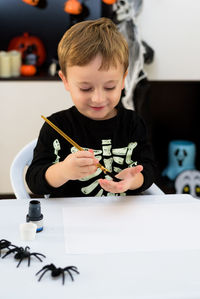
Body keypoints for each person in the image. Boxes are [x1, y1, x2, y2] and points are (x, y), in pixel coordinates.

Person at [26, 17, 155, 198]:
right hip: (70, 219)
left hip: (124, 216)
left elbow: (149, 169)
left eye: (110, 87)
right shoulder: (55, 126)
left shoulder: (133, 123)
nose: (98, 98)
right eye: (86, 88)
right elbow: (34, 181)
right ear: (66, 81)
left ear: (123, 79)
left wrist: (135, 180)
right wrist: (62, 171)